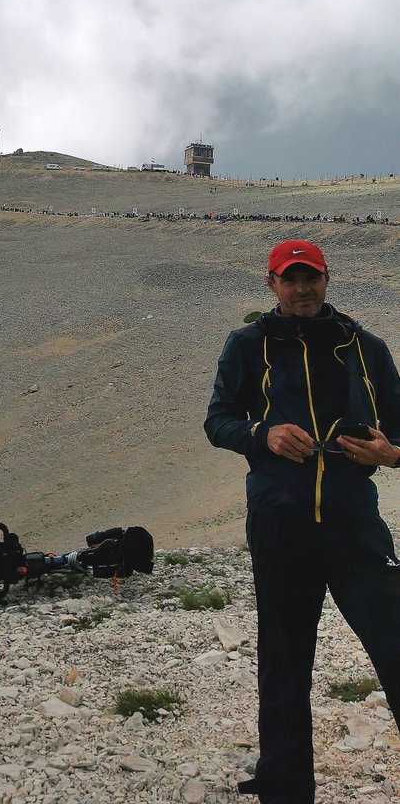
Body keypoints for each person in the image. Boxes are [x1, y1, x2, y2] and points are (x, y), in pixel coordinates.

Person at [205, 239, 400, 803]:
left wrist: (391, 455)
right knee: (285, 660)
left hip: (354, 525)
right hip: (280, 523)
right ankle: (285, 788)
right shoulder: (247, 345)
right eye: (289, 280)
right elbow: (218, 420)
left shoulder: (366, 347)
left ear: (326, 279)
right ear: (271, 285)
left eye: (309, 278)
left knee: (395, 640)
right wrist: (260, 435)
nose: (301, 289)